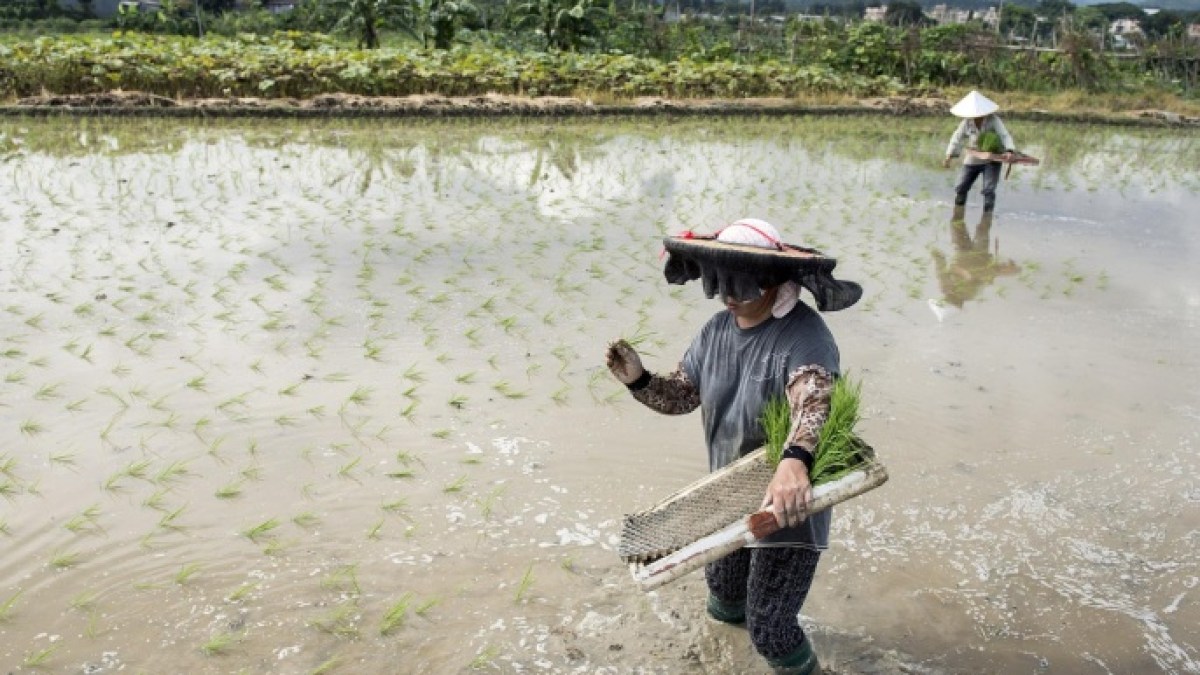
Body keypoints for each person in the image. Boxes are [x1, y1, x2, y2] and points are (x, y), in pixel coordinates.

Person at [605, 219, 862, 675]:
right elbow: (684, 394)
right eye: (723, 284)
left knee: (770, 627)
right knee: (723, 598)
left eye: (742, 286)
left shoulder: (805, 335)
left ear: (773, 280)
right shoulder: (714, 331)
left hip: (787, 502)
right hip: (727, 494)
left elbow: (814, 398)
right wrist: (639, 380)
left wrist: (795, 460)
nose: (730, 295)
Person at [942, 90, 1017, 215]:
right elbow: (957, 137)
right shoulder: (967, 122)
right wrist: (949, 155)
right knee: (961, 187)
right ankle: (958, 215)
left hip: (992, 158)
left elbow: (1004, 135)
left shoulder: (993, 120)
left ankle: (986, 219)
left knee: (988, 190)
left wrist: (1009, 150)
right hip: (974, 156)